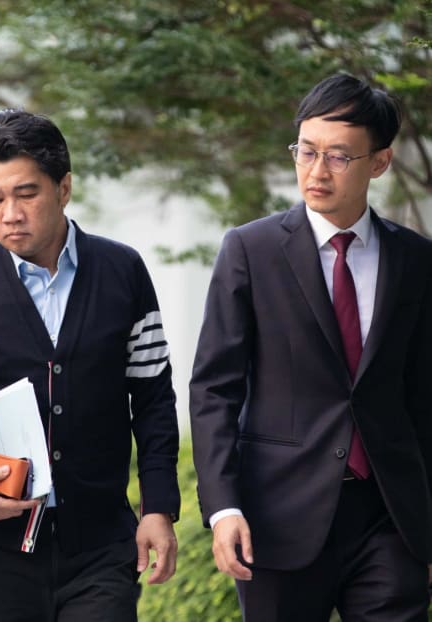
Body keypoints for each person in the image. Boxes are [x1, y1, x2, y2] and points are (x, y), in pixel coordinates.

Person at [0, 109, 180, 622]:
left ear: (64, 188)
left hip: (99, 548)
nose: (9, 213)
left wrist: (158, 507)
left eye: (26, 193)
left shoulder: (122, 271)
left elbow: (152, 398)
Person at [189, 73, 432, 621]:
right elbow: (214, 389)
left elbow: (423, 397)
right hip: (278, 516)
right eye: (306, 151)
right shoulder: (249, 250)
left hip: (388, 518)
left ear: (380, 162)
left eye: (339, 157)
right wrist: (223, 507)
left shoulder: (415, 260)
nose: (316, 171)